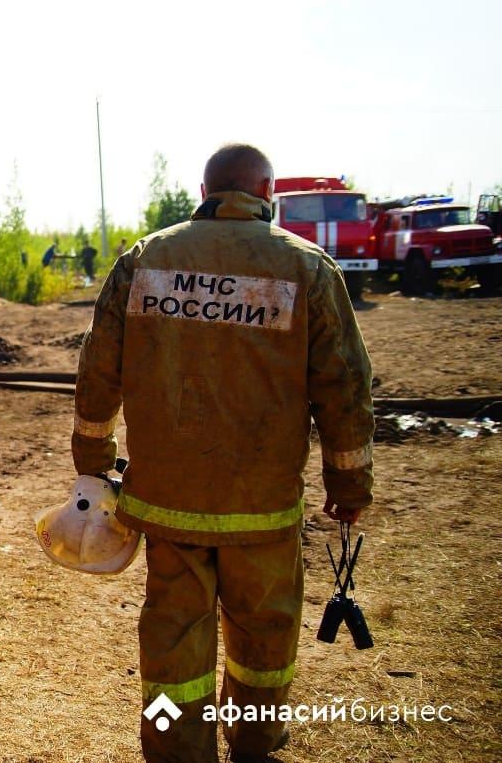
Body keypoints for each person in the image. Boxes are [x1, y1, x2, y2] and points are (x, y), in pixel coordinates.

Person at [72, 143, 374, 763]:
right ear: (266, 192)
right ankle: (256, 747)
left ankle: (174, 748)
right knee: (262, 645)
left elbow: (98, 368)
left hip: (169, 505)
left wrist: (92, 454)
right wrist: (348, 487)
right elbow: (344, 389)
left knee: (171, 654)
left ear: (206, 190)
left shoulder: (146, 260)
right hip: (260, 510)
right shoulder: (307, 269)